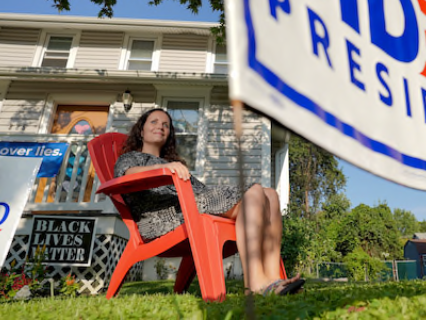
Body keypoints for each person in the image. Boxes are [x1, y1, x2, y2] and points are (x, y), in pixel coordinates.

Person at [114, 108, 304, 296]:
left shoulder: (174, 163)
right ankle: (255, 284)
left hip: (192, 206)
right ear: (141, 131)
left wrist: (170, 166)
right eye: (154, 122)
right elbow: (127, 175)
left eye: (166, 125)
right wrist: (164, 168)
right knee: (254, 192)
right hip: (161, 218)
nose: (160, 127)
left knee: (270, 194)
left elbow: (199, 191)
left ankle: (273, 279)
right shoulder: (130, 158)